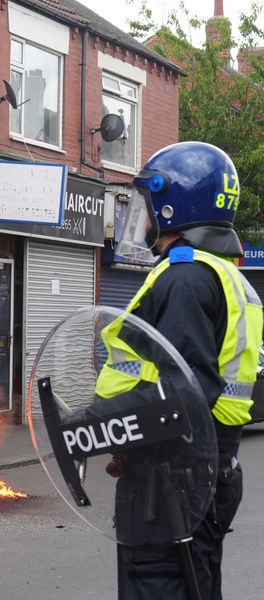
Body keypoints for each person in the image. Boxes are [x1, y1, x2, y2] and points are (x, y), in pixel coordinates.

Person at [107, 141, 263, 599]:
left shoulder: (186, 278)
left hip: (169, 481)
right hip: (204, 469)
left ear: (176, 204)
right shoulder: (223, 274)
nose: (146, 217)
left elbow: (183, 391)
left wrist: (97, 425)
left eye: (150, 204)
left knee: (160, 586)